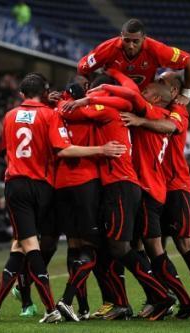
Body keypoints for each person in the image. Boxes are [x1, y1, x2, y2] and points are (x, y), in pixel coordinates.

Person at [0, 72, 127, 323]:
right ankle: (61, 305)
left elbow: (10, 147)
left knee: (31, 245)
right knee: (74, 245)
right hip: (48, 186)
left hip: (22, 184)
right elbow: (63, 148)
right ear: (46, 92)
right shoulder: (53, 114)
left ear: (21, 94)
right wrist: (101, 149)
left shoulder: (10, 116)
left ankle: (39, 303)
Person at [61, 73, 175, 321]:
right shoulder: (119, 108)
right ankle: (129, 301)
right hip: (119, 185)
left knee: (120, 247)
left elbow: (71, 113)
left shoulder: (108, 111)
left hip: (120, 185)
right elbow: (128, 94)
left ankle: (161, 296)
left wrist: (70, 99)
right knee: (115, 247)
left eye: (97, 91)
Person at [92, 68, 190, 319]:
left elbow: (131, 92)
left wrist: (109, 75)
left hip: (148, 188)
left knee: (150, 248)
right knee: (140, 245)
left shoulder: (151, 111)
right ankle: (159, 298)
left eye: (150, 88)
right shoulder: (156, 113)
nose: (145, 89)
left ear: (156, 98)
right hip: (153, 188)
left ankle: (177, 299)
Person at [118, 71, 190, 319]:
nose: (155, 83)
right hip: (158, 186)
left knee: (184, 243)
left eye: (162, 81)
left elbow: (171, 126)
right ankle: (160, 297)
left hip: (176, 185)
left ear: (174, 91)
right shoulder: (156, 108)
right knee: (152, 244)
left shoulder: (177, 110)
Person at [77, 18, 190, 105]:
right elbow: (83, 68)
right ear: (121, 36)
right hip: (112, 98)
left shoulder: (158, 50)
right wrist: (87, 88)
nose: (131, 46)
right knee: (102, 80)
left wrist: (186, 95)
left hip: (143, 99)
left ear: (144, 38)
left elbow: (189, 60)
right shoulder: (107, 48)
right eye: (127, 41)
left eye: (135, 41)